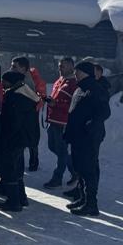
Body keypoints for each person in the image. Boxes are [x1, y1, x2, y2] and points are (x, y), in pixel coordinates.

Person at [64, 61, 111, 216]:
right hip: (78, 136)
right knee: (80, 168)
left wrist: (89, 125)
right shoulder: (80, 88)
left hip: (88, 137)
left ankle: (91, 204)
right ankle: (82, 198)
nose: (74, 74)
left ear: (84, 72)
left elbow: (104, 112)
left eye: (77, 71)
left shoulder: (95, 88)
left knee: (89, 169)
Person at [0, 71, 39, 212]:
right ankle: (21, 197)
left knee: (10, 169)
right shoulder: (25, 94)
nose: (2, 83)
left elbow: (12, 121)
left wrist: (5, 136)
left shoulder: (14, 97)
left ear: (11, 82)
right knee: (18, 168)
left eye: (4, 80)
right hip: (22, 138)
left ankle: (13, 201)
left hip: (14, 138)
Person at [44, 58, 78, 188]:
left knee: (62, 151)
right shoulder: (59, 81)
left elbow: (73, 105)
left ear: (71, 67)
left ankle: (57, 178)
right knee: (52, 147)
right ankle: (74, 171)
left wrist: (56, 104)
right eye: (59, 66)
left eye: (63, 66)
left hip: (63, 122)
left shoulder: (74, 83)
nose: (60, 68)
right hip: (53, 119)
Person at [11, 56, 46, 172]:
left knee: (28, 137)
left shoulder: (27, 81)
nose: (11, 69)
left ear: (23, 68)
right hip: (30, 112)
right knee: (31, 137)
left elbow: (32, 98)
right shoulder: (27, 77)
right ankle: (33, 162)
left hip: (29, 113)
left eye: (14, 66)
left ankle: (31, 163)